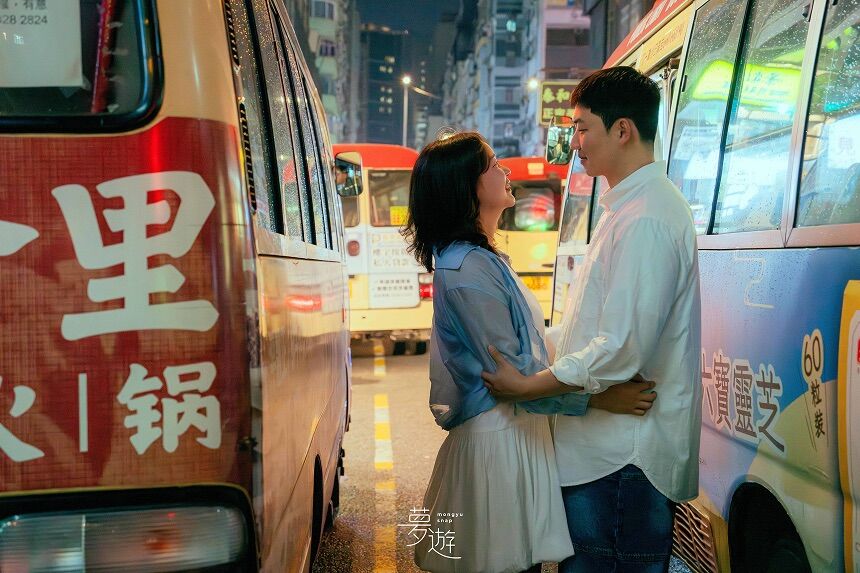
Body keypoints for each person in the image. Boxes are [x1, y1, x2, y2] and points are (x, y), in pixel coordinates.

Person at [402, 131, 659, 573]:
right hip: (498, 444)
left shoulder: (480, 258)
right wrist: (598, 399)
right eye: (492, 164)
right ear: (466, 185)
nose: (504, 170)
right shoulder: (467, 269)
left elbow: (527, 355)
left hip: (514, 436)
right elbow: (510, 381)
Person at [482, 67, 702, 573]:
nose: (575, 142)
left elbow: (620, 347)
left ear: (622, 130)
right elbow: (589, 326)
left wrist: (529, 385)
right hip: (606, 454)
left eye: (583, 128)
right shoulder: (625, 207)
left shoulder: (647, 217)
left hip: (622, 459)